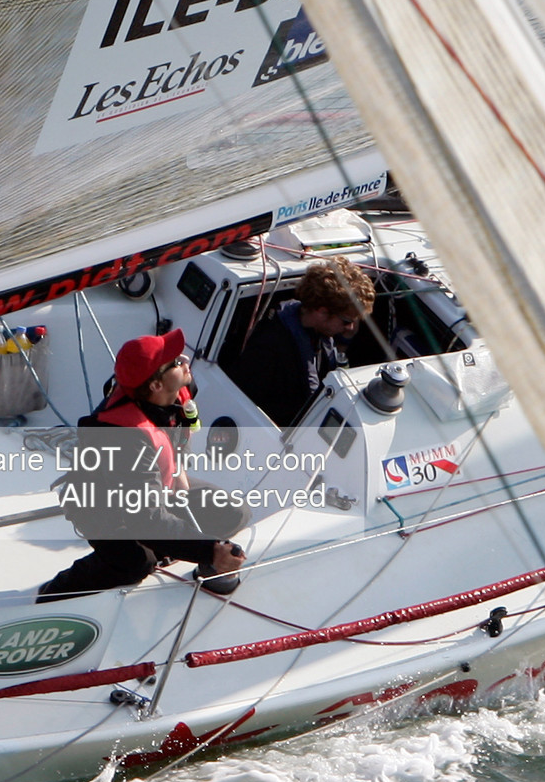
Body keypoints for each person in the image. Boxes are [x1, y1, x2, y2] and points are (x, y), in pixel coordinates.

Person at [36, 328, 246, 602]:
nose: (184, 360)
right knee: (135, 562)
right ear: (156, 385)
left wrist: (178, 465)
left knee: (233, 512)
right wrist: (210, 550)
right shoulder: (125, 438)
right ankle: (53, 594)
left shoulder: (177, 388)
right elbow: (144, 518)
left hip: (157, 485)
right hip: (102, 505)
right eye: (174, 362)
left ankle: (196, 565)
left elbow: (179, 431)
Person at [230, 256, 376, 426]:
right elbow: (246, 403)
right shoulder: (269, 346)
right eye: (346, 321)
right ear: (322, 312)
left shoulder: (318, 335)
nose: (350, 328)